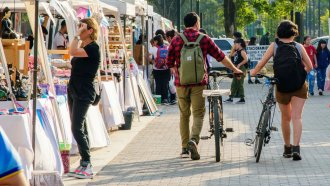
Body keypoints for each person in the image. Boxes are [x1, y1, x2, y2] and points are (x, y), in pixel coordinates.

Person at [166, 12, 242, 160]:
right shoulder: (204, 39)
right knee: (198, 114)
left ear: (184, 23)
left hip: (181, 84)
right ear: (197, 23)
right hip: (199, 83)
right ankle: (193, 140)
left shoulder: (176, 40)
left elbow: (169, 62)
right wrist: (235, 69)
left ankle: (184, 149)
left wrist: (176, 70)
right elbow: (221, 56)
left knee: (184, 115)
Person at [251, 20, 313, 161]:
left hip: (282, 86)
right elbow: (309, 66)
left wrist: (253, 72)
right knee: (297, 117)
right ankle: (297, 148)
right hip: (299, 86)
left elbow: (262, 63)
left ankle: (287, 148)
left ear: (278, 32)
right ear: (294, 33)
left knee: (286, 118)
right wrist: (300, 74)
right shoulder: (298, 46)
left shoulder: (274, 46)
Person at [67, 18, 100, 179]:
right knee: (81, 127)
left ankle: (87, 163)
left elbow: (71, 52)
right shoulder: (84, 47)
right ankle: (84, 162)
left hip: (83, 92)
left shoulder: (93, 48)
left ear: (90, 31)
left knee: (76, 128)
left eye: (83, 27)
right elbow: (73, 53)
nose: (80, 29)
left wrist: (76, 35)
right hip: (74, 90)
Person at [224, 38, 248, 104]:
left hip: (241, 68)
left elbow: (246, 59)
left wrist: (239, 64)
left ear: (239, 44)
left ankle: (242, 98)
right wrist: (234, 48)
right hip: (236, 68)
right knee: (234, 83)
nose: (234, 45)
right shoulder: (237, 51)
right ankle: (231, 98)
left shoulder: (242, 51)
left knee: (239, 83)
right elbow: (231, 55)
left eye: (235, 44)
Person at [151, 34, 171, 104]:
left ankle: (158, 100)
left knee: (158, 84)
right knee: (165, 84)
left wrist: (153, 61)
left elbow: (147, 56)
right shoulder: (167, 47)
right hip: (166, 69)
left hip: (156, 69)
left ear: (156, 41)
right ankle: (165, 99)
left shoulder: (153, 48)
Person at [166, 30, 178, 105]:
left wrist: (171, 67)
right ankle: (174, 97)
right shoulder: (179, 42)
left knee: (172, 83)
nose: (166, 40)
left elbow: (170, 58)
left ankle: (173, 98)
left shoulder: (172, 44)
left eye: (166, 38)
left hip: (174, 67)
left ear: (169, 37)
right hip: (178, 67)